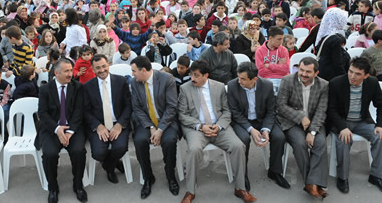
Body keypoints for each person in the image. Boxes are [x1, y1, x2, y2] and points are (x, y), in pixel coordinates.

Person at [178, 60, 255, 203]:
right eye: (191, 75)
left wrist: (218, 126)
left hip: (219, 126)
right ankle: (190, 191)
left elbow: (227, 111)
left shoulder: (219, 87)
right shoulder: (185, 88)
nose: (192, 78)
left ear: (206, 75)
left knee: (238, 146)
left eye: (196, 75)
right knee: (194, 150)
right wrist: (201, 126)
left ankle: (240, 188)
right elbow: (182, 114)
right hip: (196, 129)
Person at [327, 57, 382, 195]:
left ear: (366, 75)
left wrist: (380, 125)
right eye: (350, 71)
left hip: (362, 121)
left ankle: (376, 176)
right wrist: (342, 127)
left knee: (380, 137)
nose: (352, 76)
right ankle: (342, 177)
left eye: (358, 74)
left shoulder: (373, 83)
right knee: (344, 139)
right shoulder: (336, 83)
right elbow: (331, 109)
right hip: (342, 122)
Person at [227, 62, 289, 190]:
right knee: (243, 140)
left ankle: (275, 171)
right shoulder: (232, 85)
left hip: (261, 119)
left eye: (243, 79)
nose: (239, 81)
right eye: (238, 77)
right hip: (241, 120)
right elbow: (235, 113)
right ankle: (242, 174)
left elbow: (271, 111)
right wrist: (251, 130)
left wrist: (265, 129)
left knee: (279, 137)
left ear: (254, 79)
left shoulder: (267, 85)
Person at [35, 58, 88, 203]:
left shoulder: (77, 87)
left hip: (73, 128)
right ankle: (53, 188)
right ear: (56, 73)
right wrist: (57, 129)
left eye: (71, 70)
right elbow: (43, 114)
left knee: (78, 151)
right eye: (66, 71)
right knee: (49, 154)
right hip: (51, 128)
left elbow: (79, 112)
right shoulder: (45, 89)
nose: (70, 74)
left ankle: (78, 186)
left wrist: (69, 133)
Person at [276, 57, 329, 199]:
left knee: (320, 143)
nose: (303, 74)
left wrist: (312, 131)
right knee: (299, 143)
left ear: (316, 73)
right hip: (291, 122)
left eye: (308, 72)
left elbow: (321, 110)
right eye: (301, 70)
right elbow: (280, 106)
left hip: (314, 122)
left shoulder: (323, 85)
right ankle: (312, 183)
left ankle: (312, 183)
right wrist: (300, 117)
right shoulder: (287, 80)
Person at [130, 56, 179, 199]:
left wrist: (160, 129)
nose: (132, 74)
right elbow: (137, 108)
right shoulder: (135, 82)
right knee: (139, 141)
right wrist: (151, 127)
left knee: (169, 141)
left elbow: (172, 107)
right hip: (146, 122)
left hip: (166, 121)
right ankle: (148, 177)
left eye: (134, 71)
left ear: (143, 70)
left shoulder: (166, 79)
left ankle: (170, 176)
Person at [83, 54, 132, 184]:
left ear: (108, 64)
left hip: (118, 122)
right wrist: (98, 126)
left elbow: (128, 106)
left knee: (120, 147)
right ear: (93, 69)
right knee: (98, 153)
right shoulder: (87, 86)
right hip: (99, 124)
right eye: (97, 68)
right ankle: (113, 163)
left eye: (104, 66)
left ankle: (108, 166)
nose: (102, 70)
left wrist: (120, 125)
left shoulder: (121, 81)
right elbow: (85, 111)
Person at [315, 8, 349, 81]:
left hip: (322, 71)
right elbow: (337, 62)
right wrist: (344, 78)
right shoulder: (335, 39)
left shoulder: (324, 35)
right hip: (331, 75)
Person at [254, 26, 290, 94]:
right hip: (266, 80)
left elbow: (286, 68)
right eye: (279, 39)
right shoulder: (260, 51)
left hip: (282, 79)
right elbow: (261, 71)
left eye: (282, 39)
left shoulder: (283, 50)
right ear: (270, 38)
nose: (281, 42)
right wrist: (278, 65)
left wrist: (269, 66)